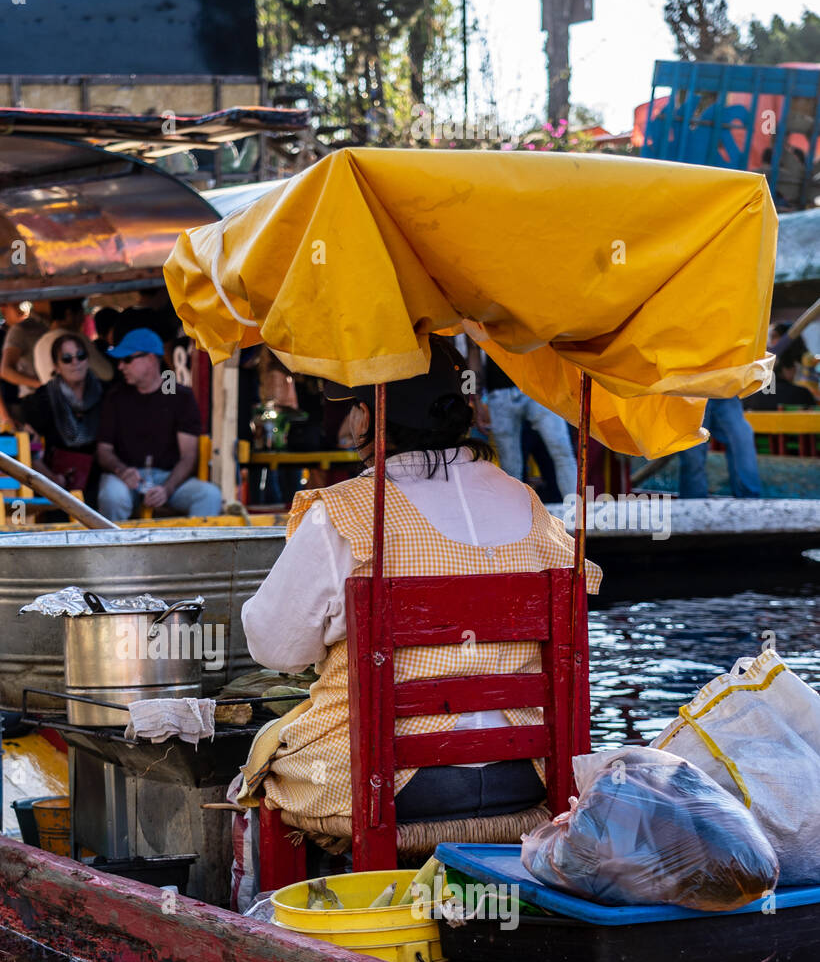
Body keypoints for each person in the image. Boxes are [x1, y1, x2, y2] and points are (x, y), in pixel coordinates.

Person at [240, 336, 602, 838]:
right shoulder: (528, 503)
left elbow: (275, 648)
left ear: (368, 417)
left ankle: (280, 913)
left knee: (258, 772)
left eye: (354, 411)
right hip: (528, 774)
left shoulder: (347, 512)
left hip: (396, 785)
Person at [94, 327, 222, 521]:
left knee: (209, 495)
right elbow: (103, 450)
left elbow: (189, 456)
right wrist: (122, 471)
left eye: (127, 359)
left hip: (169, 479)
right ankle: (116, 552)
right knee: (112, 495)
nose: (120, 366)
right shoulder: (115, 396)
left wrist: (167, 489)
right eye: (119, 360)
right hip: (126, 478)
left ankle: (195, 552)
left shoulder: (181, 397)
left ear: (151, 359)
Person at [477, 355, 577, 500]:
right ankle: (576, 513)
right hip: (509, 389)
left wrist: (475, 396)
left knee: (561, 451)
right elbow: (473, 350)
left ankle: (577, 513)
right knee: (512, 466)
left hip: (537, 385)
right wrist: (476, 397)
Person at [20, 332, 106, 500]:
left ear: (88, 360)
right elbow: (31, 451)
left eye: (80, 356)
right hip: (59, 482)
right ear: (56, 366)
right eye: (67, 358)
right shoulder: (43, 398)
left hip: (101, 475)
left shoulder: (104, 392)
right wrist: (51, 478)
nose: (75, 363)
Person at [676, 396, 763, 499]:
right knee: (693, 452)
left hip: (724, 392)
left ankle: (749, 501)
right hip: (688, 394)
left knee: (742, 437)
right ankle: (692, 503)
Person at [32, 297, 113, 386]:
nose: (83, 319)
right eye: (81, 313)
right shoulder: (76, 339)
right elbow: (106, 373)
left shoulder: (39, 344)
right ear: (69, 314)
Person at [0, 301, 50, 399]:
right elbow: (5, 371)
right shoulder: (21, 329)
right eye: (15, 304)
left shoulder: (46, 324)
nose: (20, 309)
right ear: (2, 308)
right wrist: (42, 385)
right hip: (36, 397)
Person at [0, 302, 26, 427]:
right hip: (15, 406)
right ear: (3, 308)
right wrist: (4, 414)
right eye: (16, 305)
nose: (23, 310)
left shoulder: (30, 332)